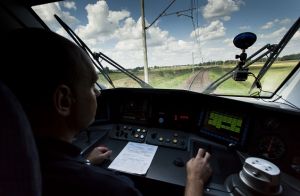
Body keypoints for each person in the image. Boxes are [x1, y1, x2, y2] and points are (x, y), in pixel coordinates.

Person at [0, 28, 212, 196]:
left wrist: (86, 162)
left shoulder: (12, 168)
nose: (99, 94)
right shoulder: (112, 189)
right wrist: (195, 180)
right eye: (92, 86)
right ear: (64, 100)